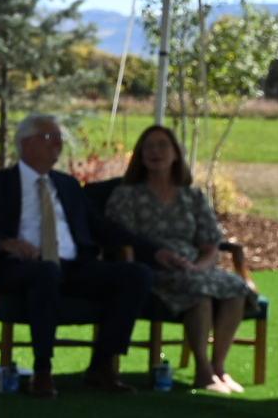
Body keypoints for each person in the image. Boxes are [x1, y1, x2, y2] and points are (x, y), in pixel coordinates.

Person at [0, 113, 166, 398]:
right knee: (46, 273)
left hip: (76, 266)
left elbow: (103, 228)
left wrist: (156, 252)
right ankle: (42, 371)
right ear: (26, 144)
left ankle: (101, 367)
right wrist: (3, 241)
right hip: (24, 268)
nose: (58, 143)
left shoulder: (67, 185)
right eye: (50, 137)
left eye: (61, 137)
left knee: (137, 274)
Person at [105, 125, 255, 392]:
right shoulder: (127, 195)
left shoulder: (191, 196)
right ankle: (203, 371)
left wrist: (198, 266)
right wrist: (158, 257)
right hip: (151, 270)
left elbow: (211, 245)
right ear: (139, 155)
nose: (155, 152)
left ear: (176, 153)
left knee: (236, 288)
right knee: (198, 291)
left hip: (193, 267)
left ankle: (219, 367)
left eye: (162, 145)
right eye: (148, 147)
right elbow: (118, 240)